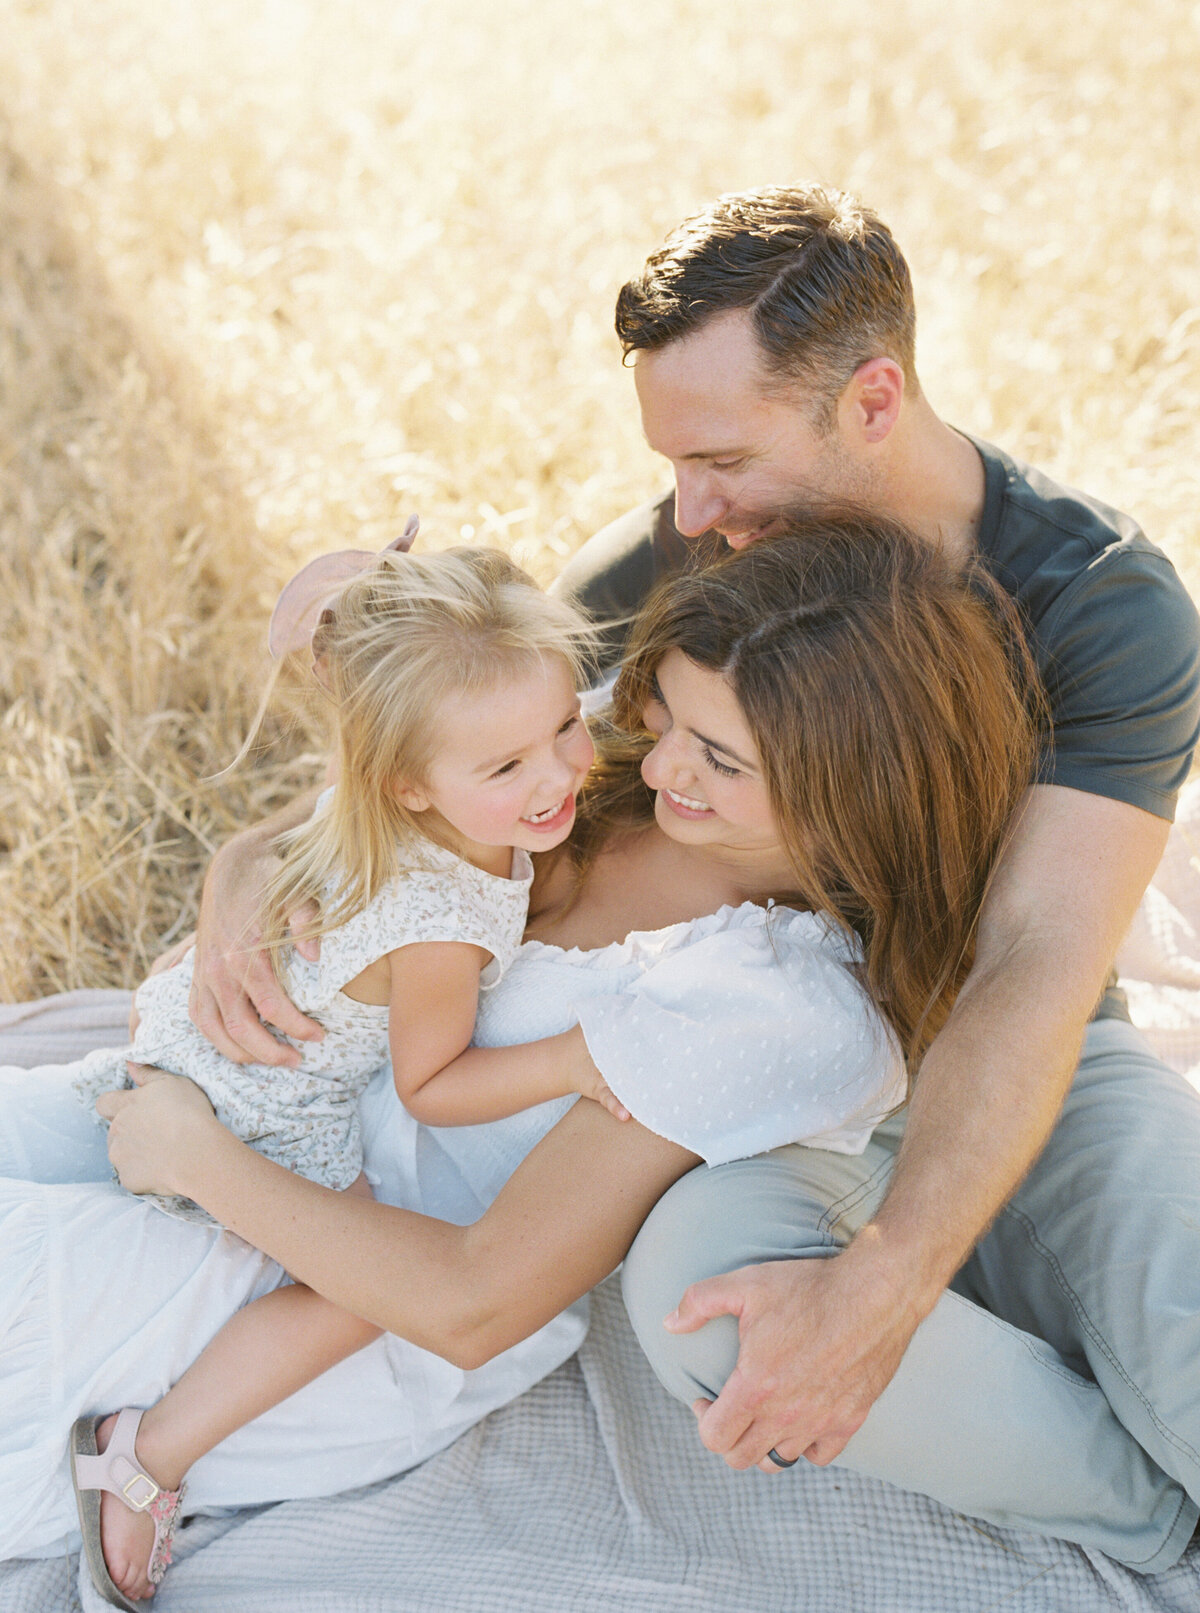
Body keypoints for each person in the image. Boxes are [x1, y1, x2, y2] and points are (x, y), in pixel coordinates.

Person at [10, 516, 1167, 1607]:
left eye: (719, 760)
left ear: (848, 800)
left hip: (336, 1280)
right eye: (665, 714)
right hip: (258, 1098)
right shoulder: (607, 770)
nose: (661, 765)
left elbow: (472, 1300)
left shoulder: (773, 998)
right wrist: (242, 872)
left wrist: (196, 1157)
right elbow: (401, 771)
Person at [546, 183, 1200, 1559]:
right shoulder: (711, 541)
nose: (689, 505)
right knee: (705, 1305)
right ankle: (1156, 1535)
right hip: (789, 1076)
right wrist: (263, 864)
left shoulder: (1101, 602)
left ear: (875, 400)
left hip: (1031, 1057)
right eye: (673, 463)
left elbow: (1036, 959)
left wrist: (892, 1279)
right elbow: (468, 726)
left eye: (723, 455)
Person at [59, 536, 632, 1606]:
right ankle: (146, 1451)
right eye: (507, 767)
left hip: (193, 1023)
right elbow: (433, 1083)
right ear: (411, 785)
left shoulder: (409, 801)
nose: (556, 772)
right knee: (355, 1296)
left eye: (565, 725)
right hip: (255, 1095)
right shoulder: (442, 923)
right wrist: (571, 1061)